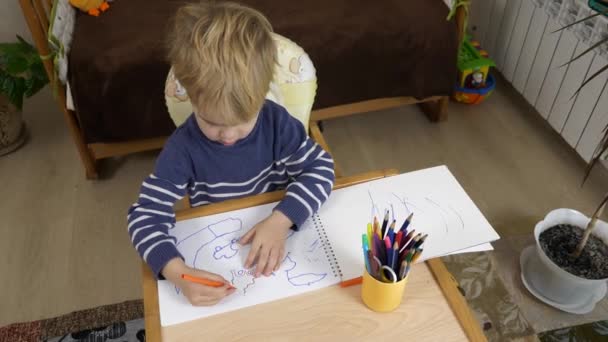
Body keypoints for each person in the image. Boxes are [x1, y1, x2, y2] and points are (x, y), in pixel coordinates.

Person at [127, 1, 335, 307]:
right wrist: (177, 272)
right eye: (211, 122)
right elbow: (144, 216)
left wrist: (281, 220)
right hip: (222, 245)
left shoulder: (276, 122)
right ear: (190, 95)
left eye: (242, 122)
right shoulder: (182, 148)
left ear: (261, 94)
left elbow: (320, 169)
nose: (227, 135)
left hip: (281, 230)